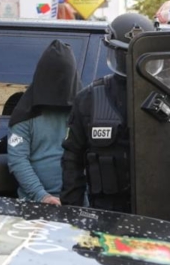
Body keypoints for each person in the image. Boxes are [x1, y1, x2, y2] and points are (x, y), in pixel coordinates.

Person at [61, 13, 156, 212]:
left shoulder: (168, 96)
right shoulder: (89, 98)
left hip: (157, 209)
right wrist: (72, 210)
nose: (130, 60)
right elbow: (72, 158)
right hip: (107, 210)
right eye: (125, 53)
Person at [7, 40, 80, 204]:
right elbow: (18, 160)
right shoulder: (25, 114)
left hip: (78, 201)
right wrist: (42, 196)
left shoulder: (82, 112)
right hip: (34, 203)